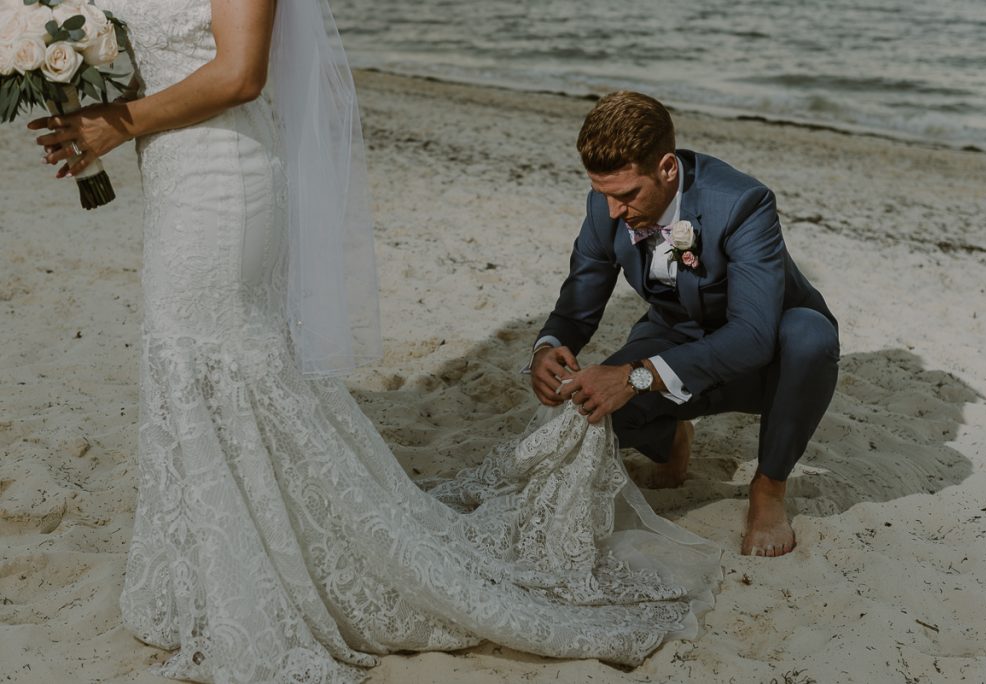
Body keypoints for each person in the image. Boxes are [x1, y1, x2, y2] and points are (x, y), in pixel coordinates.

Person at [30, 2, 720, 682]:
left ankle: (262, 573)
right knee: (186, 354)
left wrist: (111, 126)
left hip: (223, 174)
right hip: (173, 168)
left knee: (218, 355)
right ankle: (212, 567)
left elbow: (241, 73)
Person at [530, 91, 839, 558]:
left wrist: (635, 376)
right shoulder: (606, 205)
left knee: (810, 336)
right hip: (675, 333)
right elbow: (579, 302)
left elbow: (753, 336)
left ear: (668, 169)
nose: (614, 211)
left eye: (627, 195)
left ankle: (769, 489)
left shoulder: (742, 203)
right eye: (602, 194)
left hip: (770, 349)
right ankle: (673, 436)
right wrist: (548, 346)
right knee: (590, 408)